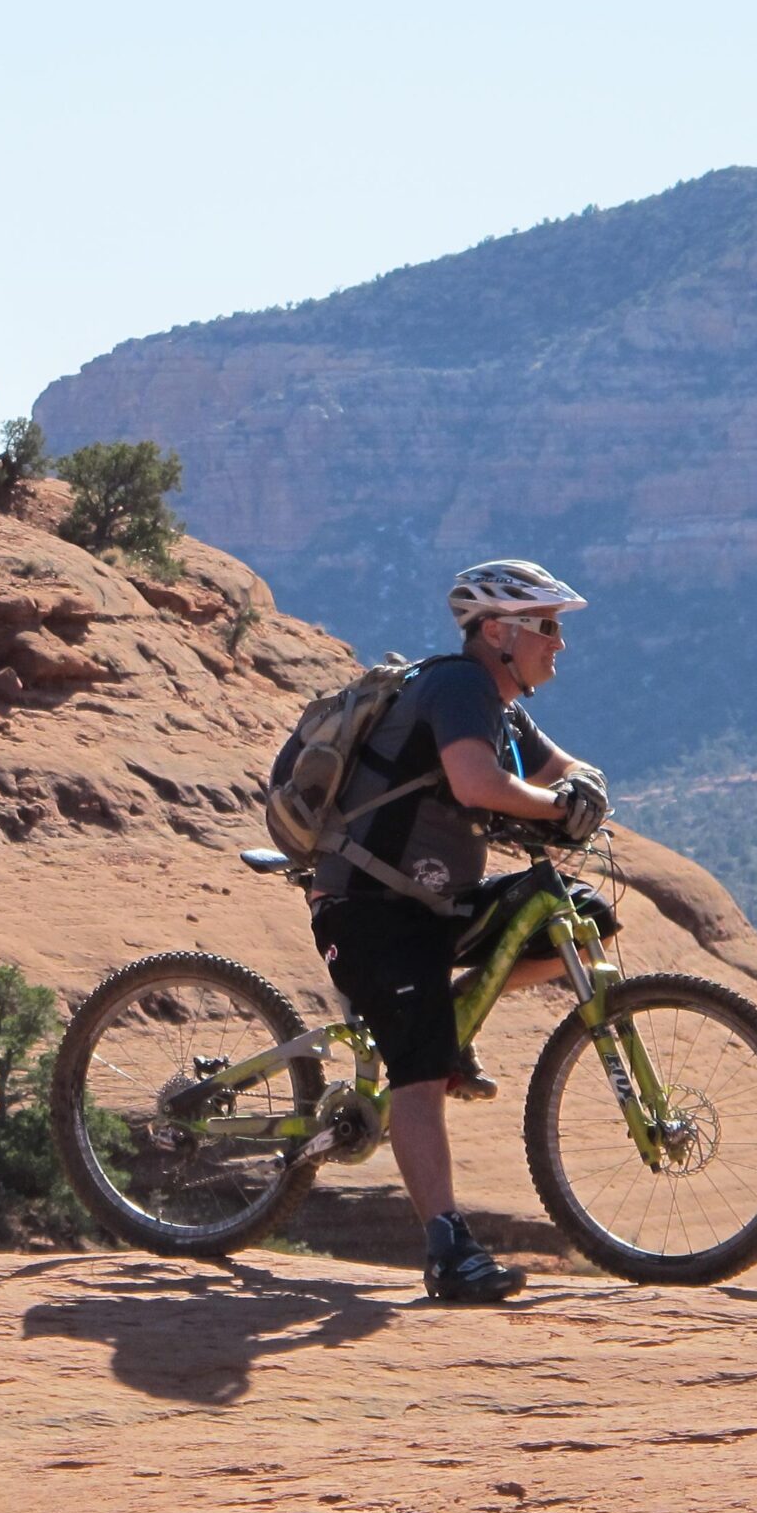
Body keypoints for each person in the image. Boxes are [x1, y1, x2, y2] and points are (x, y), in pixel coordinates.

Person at [307, 559, 611, 1304]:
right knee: (416, 1071)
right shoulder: (457, 685)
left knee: (581, 916)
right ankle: (446, 1250)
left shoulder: (501, 702)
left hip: (436, 904)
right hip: (369, 906)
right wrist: (555, 807)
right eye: (549, 627)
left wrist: (584, 790)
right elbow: (477, 783)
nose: (559, 645)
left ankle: (450, 1028)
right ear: (500, 633)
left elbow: (561, 768)